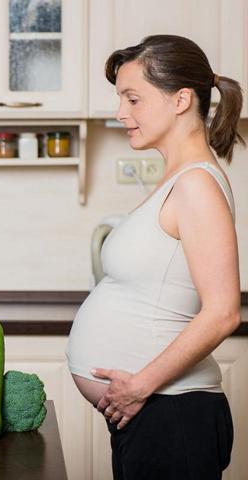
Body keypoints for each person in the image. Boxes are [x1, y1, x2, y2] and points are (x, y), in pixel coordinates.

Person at [66, 35, 243, 479]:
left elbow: (223, 312)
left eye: (133, 99)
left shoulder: (196, 185)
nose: (121, 113)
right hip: (154, 416)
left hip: (172, 417)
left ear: (181, 99)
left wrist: (138, 386)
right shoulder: (178, 179)